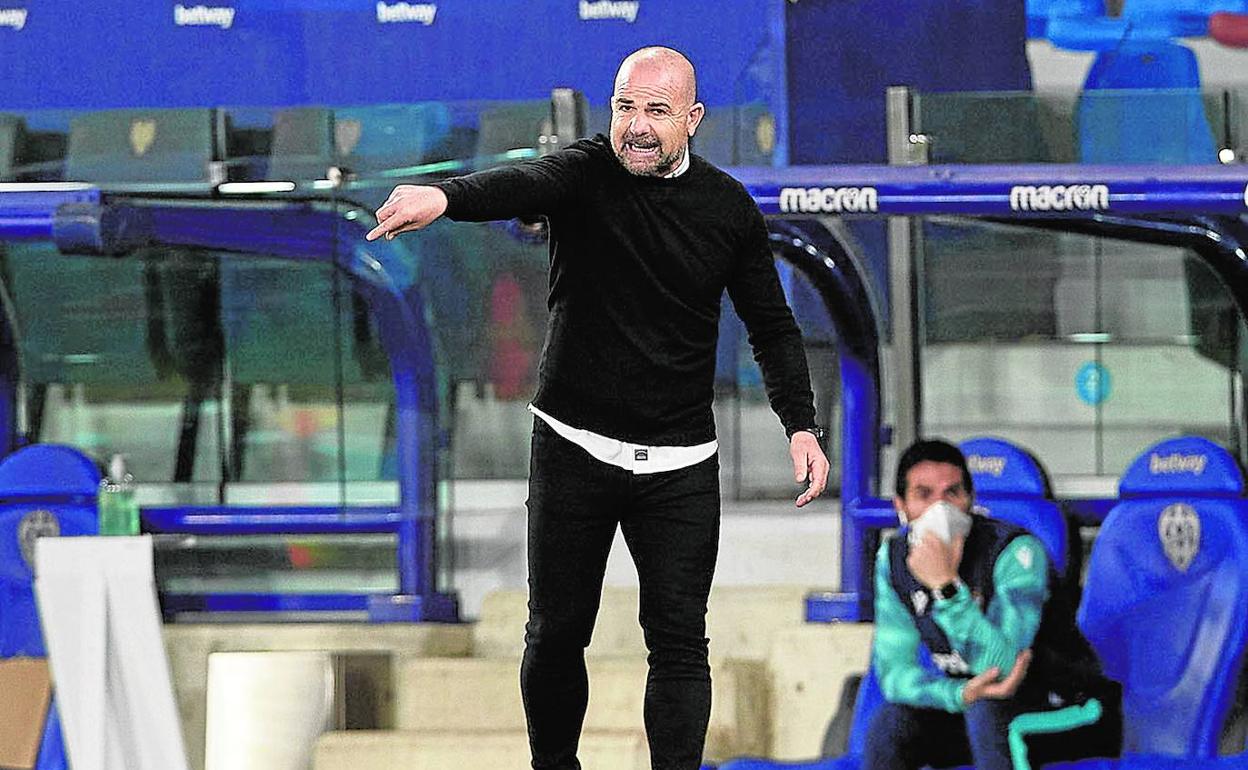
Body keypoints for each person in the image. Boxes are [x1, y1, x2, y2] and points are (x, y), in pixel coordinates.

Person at [367, 46, 830, 770]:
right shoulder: (583, 174)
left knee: (679, 639)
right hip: (572, 447)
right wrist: (446, 199)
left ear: (693, 120)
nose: (637, 125)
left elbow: (772, 326)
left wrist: (800, 424)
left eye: (656, 110)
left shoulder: (728, 210)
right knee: (554, 632)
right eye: (625, 106)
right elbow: (525, 179)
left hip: (680, 464)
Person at [866, 439, 1119, 770]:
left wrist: (945, 587)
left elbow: (1001, 667)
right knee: (892, 723)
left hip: (1069, 709)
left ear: (970, 500)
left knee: (991, 712)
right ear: (902, 506)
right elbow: (894, 674)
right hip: (976, 708)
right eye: (924, 495)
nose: (940, 509)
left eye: (952, 493)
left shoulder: (1016, 554)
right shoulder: (894, 559)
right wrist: (956, 695)